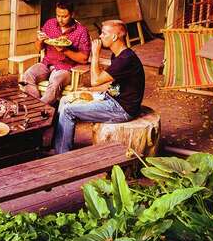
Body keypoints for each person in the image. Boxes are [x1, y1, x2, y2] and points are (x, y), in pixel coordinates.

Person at [53, 19, 146, 154]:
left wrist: (95, 54)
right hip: (112, 98)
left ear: (114, 37)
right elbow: (114, 85)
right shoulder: (118, 54)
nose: (100, 37)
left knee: (68, 111)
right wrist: (90, 91)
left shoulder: (125, 59)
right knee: (65, 100)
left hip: (122, 109)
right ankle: (57, 146)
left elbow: (95, 80)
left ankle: (61, 156)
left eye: (103, 33)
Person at [21, 0, 91, 106]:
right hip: (47, 63)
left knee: (55, 81)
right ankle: (35, 103)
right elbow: (38, 48)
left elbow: (84, 58)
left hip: (66, 68)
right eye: (58, 15)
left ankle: (39, 108)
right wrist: (39, 40)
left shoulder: (81, 31)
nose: (60, 19)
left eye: (64, 16)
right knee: (27, 75)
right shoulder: (50, 24)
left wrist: (65, 50)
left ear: (72, 14)